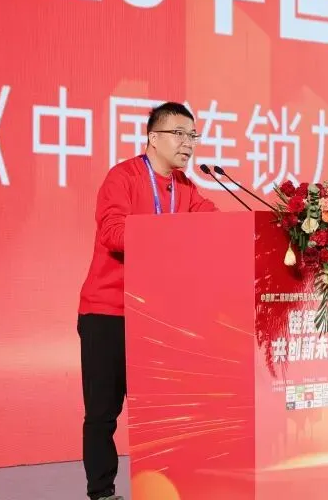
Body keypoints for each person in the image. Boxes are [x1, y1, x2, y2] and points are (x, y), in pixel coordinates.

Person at [77, 101, 218, 500]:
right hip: (109, 312)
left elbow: (216, 223)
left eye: (193, 136)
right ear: (153, 138)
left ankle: (163, 490)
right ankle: (102, 492)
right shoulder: (123, 177)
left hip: (155, 315)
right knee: (103, 413)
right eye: (179, 134)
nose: (188, 143)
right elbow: (113, 234)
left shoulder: (186, 187)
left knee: (161, 412)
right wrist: (170, 234)